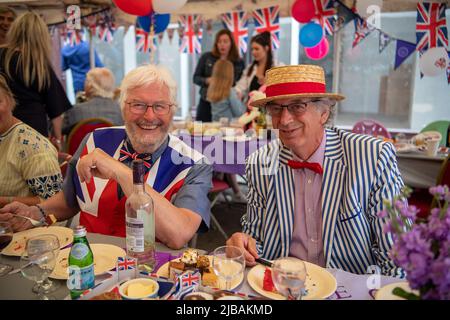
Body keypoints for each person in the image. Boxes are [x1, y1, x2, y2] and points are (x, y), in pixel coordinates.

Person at [0, 64, 213, 249]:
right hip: (86, 262)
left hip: (151, 273)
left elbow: (178, 235)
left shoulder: (194, 164)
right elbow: (69, 200)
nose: (149, 116)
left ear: (172, 110)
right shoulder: (94, 140)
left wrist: (120, 171)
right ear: (122, 107)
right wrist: (36, 212)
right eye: (138, 105)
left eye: (159, 106)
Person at [227, 65, 406, 277]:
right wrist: (243, 244)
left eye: (297, 106)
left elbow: (399, 257)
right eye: (276, 108)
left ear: (324, 113)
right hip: (283, 286)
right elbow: (256, 242)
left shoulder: (372, 157)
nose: (284, 120)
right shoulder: (259, 163)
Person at [0, 12, 72, 149]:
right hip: (35, 134)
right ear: (41, 36)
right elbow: (56, 112)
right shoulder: (40, 65)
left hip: (5, 130)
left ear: (14, 30)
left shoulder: (1, 56)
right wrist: (58, 142)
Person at [0, 74, 62, 208]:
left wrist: (4, 201)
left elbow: (56, 204)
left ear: (10, 100)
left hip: (26, 227)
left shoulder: (33, 147)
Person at [193, 29, 245, 122]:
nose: (222, 44)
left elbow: (241, 81)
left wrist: (237, 93)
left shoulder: (238, 62)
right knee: (201, 131)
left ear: (231, 43)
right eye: (219, 41)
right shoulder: (207, 57)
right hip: (207, 100)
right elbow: (195, 78)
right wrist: (207, 80)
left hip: (227, 101)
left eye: (225, 41)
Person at [62, 67, 123, 135]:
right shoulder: (121, 111)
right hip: (113, 145)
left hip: (83, 145)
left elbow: (58, 132)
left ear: (89, 85)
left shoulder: (75, 111)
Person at [234, 31, 282, 102]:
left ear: (266, 48)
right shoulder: (250, 69)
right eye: (252, 49)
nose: (253, 52)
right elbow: (240, 87)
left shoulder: (277, 67)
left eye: (256, 49)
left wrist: (268, 83)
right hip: (251, 110)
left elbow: (282, 88)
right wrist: (236, 93)